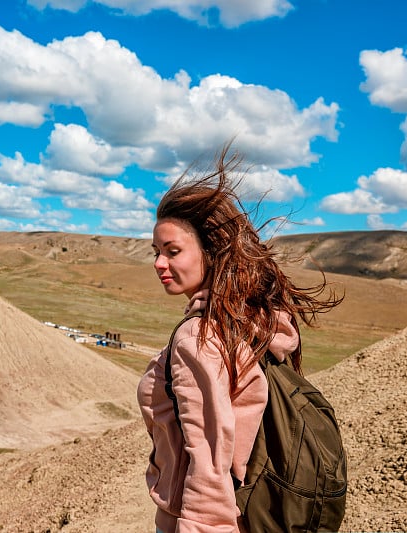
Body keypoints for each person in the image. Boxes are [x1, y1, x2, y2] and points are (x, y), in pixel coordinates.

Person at [137, 145, 341, 533]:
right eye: (156, 251)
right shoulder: (252, 322)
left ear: (211, 252)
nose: (158, 263)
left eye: (172, 251)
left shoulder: (197, 336)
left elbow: (211, 458)